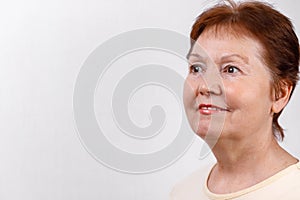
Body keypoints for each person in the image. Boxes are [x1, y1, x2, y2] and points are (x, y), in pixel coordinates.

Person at [170, 0, 300, 199]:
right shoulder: (183, 192)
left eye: (231, 69)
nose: (204, 86)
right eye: (197, 68)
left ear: (279, 94)